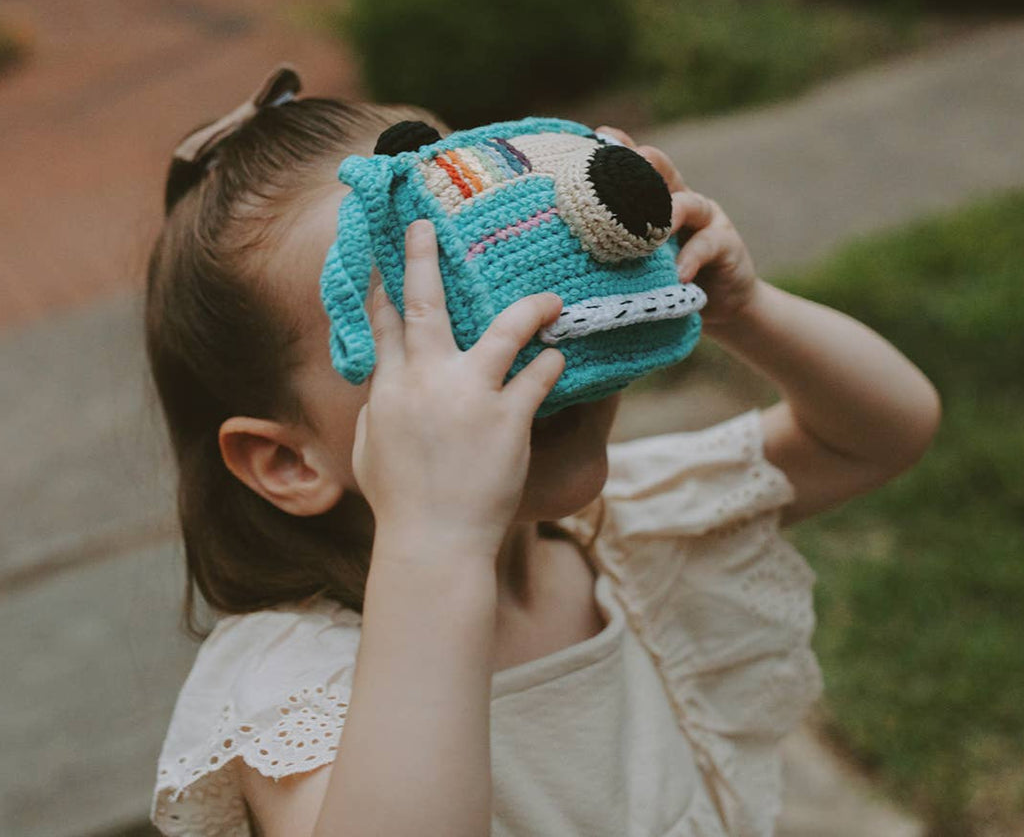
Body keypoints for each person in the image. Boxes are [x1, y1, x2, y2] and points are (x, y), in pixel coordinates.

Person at [148, 67, 941, 837]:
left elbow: (879, 433)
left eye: (511, 263)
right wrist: (438, 541)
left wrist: (744, 309)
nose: (519, 333)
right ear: (289, 462)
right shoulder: (294, 690)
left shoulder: (629, 531)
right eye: (437, 319)